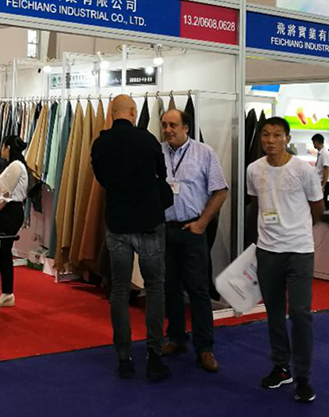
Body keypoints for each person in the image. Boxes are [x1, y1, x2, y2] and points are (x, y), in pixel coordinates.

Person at [91, 94, 171, 382]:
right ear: (134, 112)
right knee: (155, 288)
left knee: (119, 290)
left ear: (113, 114)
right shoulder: (147, 140)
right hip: (148, 222)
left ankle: (124, 357)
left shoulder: (100, 144)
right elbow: (161, 175)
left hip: (118, 224)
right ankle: (155, 356)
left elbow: (102, 179)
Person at [247, 117, 324, 403]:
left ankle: (303, 376)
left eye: (277, 135)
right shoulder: (253, 169)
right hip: (268, 250)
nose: (270, 140)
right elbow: (256, 203)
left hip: (299, 250)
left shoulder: (304, 170)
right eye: (266, 135)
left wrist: (298, 229)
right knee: (274, 311)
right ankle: (281, 367)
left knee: (301, 312)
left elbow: (318, 208)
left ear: (287, 138)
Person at [158, 109, 227, 373]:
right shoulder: (157, 153)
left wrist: (202, 223)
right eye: (164, 125)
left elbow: (220, 192)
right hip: (166, 230)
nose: (168, 130)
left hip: (193, 230)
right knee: (170, 287)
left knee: (198, 290)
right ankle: (176, 338)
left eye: (173, 125)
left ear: (186, 127)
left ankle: (205, 347)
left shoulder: (204, 153)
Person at [0, 135, 28, 308]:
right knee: (3, 251)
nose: (2, 150)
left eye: (3, 146)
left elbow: (6, 194)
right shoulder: (13, 166)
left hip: (10, 212)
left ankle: (7, 292)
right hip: (8, 211)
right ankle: (5, 292)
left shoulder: (15, 166)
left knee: (4, 251)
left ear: (8, 148)